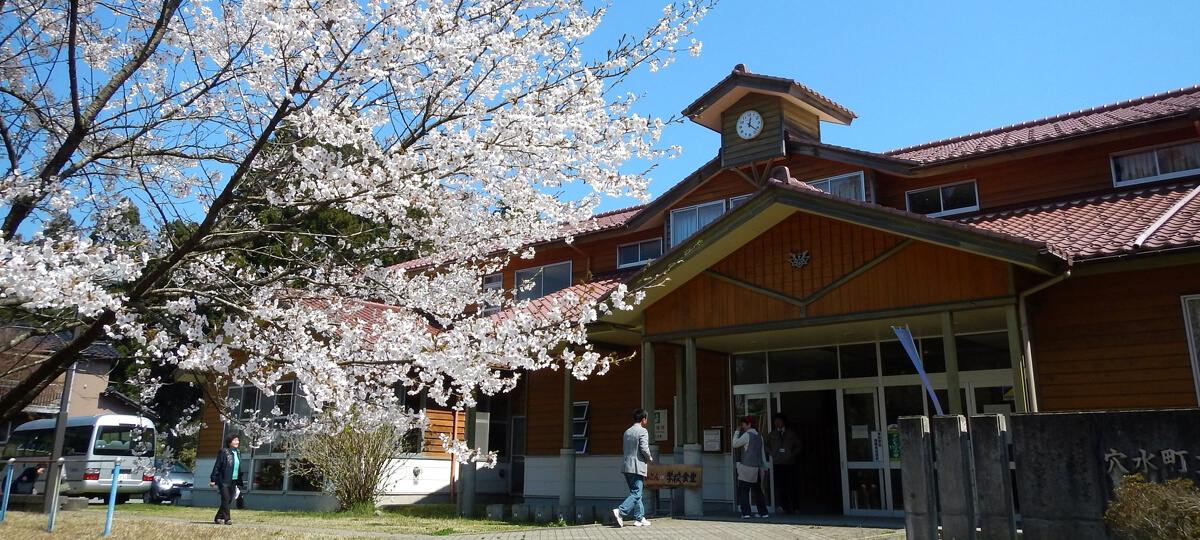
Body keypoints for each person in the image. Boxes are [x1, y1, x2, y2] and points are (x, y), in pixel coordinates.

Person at [613, 408, 653, 528]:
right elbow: (644, 448)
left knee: (636, 493)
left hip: (626, 465)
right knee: (636, 493)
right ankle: (621, 511)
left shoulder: (627, 432)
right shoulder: (643, 431)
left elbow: (625, 448)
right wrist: (649, 457)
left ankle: (639, 518)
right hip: (637, 466)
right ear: (643, 419)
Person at [732, 415, 769, 519]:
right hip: (757, 468)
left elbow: (735, 444)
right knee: (758, 491)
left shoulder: (747, 435)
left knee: (744, 490)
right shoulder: (759, 436)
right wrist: (765, 467)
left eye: (744, 423)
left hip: (747, 467)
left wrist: (736, 432)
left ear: (749, 424)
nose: (742, 426)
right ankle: (763, 512)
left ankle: (746, 513)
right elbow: (762, 454)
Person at [766, 412, 802, 514]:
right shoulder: (772, 434)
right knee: (781, 487)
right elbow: (766, 445)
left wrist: (792, 454)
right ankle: (784, 507)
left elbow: (798, 445)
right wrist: (772, 453)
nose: (777, 423)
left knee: (792, 486)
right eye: (775, 421)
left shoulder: (791, 434)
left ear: (784, 422)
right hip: (778, 463)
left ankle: (796, 507)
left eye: (779, 421)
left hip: (789, 463)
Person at [209, 434, 241, 525]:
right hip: (224, 480)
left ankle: (218, 517)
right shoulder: (224, 452)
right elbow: (217, 466)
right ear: (229, 442)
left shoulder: (238, 452)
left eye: (238, 440)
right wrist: (213, 479)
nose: (237, 442)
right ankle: (227, 519)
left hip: (233, 480)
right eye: (235, 440)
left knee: (229, 499)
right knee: (226, 499)